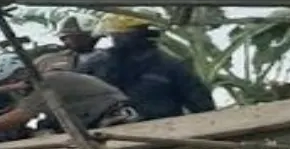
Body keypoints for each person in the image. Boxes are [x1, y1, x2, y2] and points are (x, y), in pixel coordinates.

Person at [0, 52, 174, 149]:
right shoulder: (50, 83)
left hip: (116, 124)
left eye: (10, 82)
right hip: (114, 123)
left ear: (20, 73)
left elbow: (22, 114)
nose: (13, 88)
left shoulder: (49, 81)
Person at [77, 13, 215, 121]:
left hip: (161, 136)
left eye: (119, 34)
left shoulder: (170, 66)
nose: (115, 39)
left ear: (140, 33)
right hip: (109, 135)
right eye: (114, 35)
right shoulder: (97, 64)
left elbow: (201, 103)